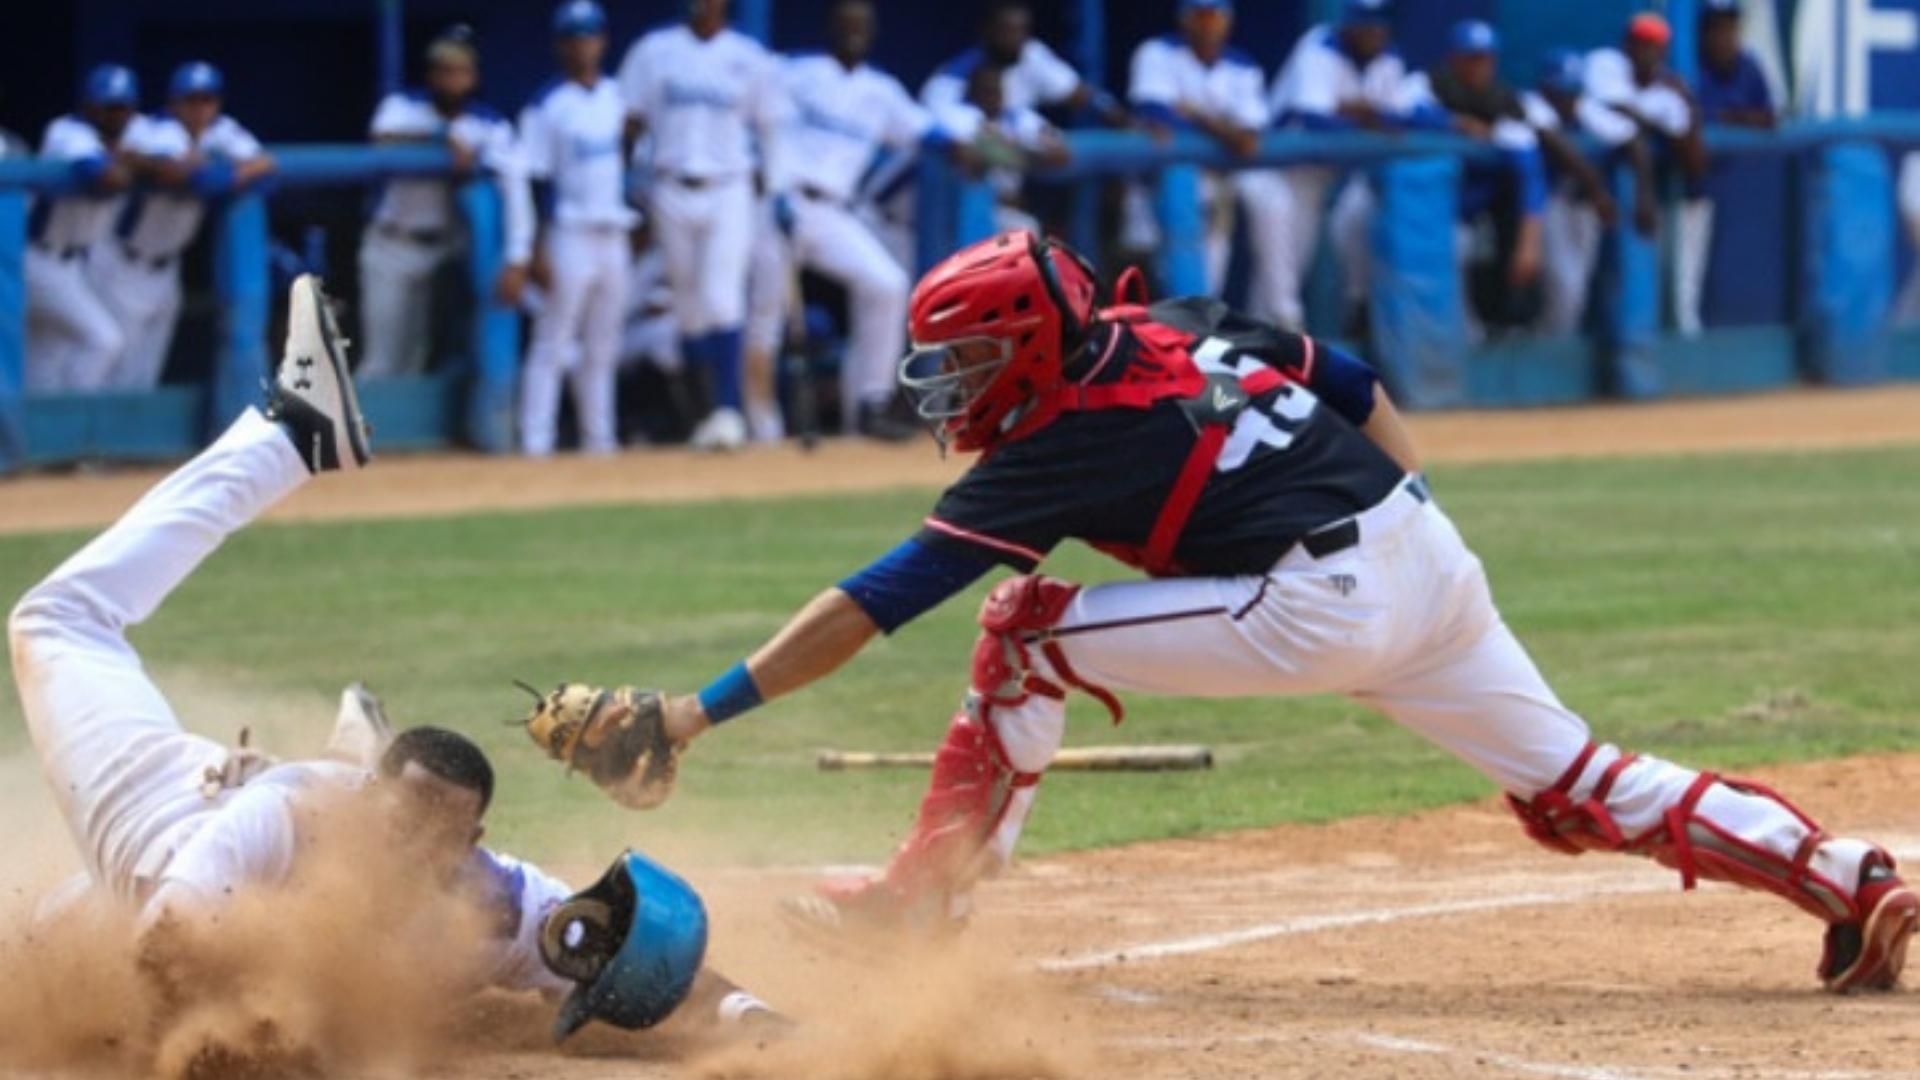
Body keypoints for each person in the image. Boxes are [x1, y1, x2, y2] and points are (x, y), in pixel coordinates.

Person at [571, 229, 1916, 996]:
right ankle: (1848, 878)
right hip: (1423, 553)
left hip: (1318, 599)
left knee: (1021, 632)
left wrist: (693, 714)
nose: (953, 382)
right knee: (1578, 780)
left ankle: (923, 908)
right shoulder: (1185, 318)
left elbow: (880, 601)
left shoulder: (1056, 443)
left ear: (1030, 345)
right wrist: (1411, 510)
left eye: (971, 356)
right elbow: (1358, 376)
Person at [8, 273, 776, 1054]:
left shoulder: (490, 908)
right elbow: (163, 944)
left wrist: (750, 1015)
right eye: (403, 821)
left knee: (40, 948)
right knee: (57, 621)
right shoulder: (285, 817)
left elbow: (619, 954)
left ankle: (297, 453)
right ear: (367, 802)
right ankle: (294, 434)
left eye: (439, 837)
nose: (417, 850)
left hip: (158, 874)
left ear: (472, 838)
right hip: (160, 816)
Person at [742, 0, 934, 443]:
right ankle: (762, 426)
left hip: (832, 210)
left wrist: (970, 141)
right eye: (846, 27)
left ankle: (870, 402)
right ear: (830, 29)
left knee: (886, 284)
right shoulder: (794, 71)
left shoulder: (881, 91)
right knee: (766, 316)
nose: (854, 35)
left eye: (862, 28)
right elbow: (759, 119)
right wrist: (772, 182)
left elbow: (927, 131)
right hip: (781, 201)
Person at [618, 0, 788, 452]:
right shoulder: (653, 50)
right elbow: (630, 121)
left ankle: (729, 412)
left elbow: (772, 127)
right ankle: (704, 415)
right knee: (689, 309)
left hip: (730, 186)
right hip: (669, 184)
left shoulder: (749, 56)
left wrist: (779, 190)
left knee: (720, 299)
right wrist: (621, 184)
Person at [359, 27, 533, 381]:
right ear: (431, 73)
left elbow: (516, 189)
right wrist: (438, 138)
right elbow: (381, 138)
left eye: (460, 71)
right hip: (393, 245)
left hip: (446, 251)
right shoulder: (402, 107)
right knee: (382, 361)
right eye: (444, 70)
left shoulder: (490, 125)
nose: (451, 79)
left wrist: (518, 257)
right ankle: (360, 435)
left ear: (473, 77)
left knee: (423, 361)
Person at [89, 62, 275, 392]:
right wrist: (227, 171)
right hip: (124, 262)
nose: (200, 109)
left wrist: (229, 173)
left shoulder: (222, 129)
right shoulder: (155, 129)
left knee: (146, 371)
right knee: (116, 365)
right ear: (174, 102)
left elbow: (266, 164)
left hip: (166, 267)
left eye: (207, 100)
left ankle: (127, 443)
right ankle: (92, 442)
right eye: (191, 100)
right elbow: (179, 174)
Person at [519, 1, 636, 457]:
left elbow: (633, 163)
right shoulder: (546, 104)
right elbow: (534, 181)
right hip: (568, 231)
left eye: (589, 35)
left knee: (604, 344)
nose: (582, 45)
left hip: (613, 231)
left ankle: (599, 439)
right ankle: (536, 442)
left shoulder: (619, 97)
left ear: (602, 40)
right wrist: (535, 246)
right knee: (554, 339)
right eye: (573, 37)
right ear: (560, 45)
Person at [1265, 0, 1414, 331]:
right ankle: (1257, 349)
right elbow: (1314, 118)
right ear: (1348, 24)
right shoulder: (1319, 45)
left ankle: (1356, 311)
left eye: (1378, 25)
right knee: (1281, 274)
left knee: (1305, 258)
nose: (1373, 33)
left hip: (1325, 174)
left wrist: (1352, 110)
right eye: (1365, 25)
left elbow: (1401, 120)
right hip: (1281, 170)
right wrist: (1367, 116)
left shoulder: (1388, 57)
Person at [1395, 21, 1547, 337]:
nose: (1479, 66)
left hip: (1461, 216)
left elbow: (1529, 172)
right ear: (1454, 58)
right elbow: (1398, 112)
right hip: (1399, 208)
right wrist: (1454, 123)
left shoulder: (1505, 103)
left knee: (1466, 260)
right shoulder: (1427, 85)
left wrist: (1529, 243)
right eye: (1471, 57)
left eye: (1485, 58)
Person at [1127, 0, 1280, 308]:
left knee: (1211, 278)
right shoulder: (1156, 52)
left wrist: (1195, 113)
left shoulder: (1243, 66)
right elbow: (1154, 109)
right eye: (1201, 16)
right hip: (1156, 185)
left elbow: (1248, 138)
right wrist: (1223, 128)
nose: (1208, 25)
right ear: (1185, 21)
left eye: (1215, 17)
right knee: (1146, 274)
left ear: (1228, 22)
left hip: (1218, 181)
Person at [1585, 14, 1709, 335]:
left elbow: (1695, 161)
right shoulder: (1606, 65)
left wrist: (1688, 105)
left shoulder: (1666, 90)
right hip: (1577, 191)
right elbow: (1628, 119)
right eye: (1641, 43)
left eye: (1655, 45)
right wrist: (1660, 118)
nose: (1648, 52)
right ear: (1627, 43)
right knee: (1569, 291)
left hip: (1624, 203)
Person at [25, 64, 143, 394]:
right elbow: (107, 176)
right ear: (89, 105)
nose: (117, 115)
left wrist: (136, 158)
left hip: (74, 262)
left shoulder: (133, 135)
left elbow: (185, 167)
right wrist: (136, 162)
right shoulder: (67, 131)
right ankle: (77, 430)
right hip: (40, 257)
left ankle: (43, 440)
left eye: (123, 107)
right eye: (109, 107)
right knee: (104, 340)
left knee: (47, 358)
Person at [1522, 49, 1657, 337]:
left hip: (1580, 208)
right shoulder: (1531, 103)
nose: (1568, 100)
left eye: (1572, 92)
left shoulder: (1583, 107)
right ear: (1546, 88)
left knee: (1576, 290)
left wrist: (1644, 196)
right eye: (1561, 92)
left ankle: (1555, 354)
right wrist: (1598, 191)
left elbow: (1633, 139)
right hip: (1539, 207)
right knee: (1562, 287)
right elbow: (1558, 144)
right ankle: (1547, 354)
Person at [1685, 0, 1777, 336]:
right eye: (1717, 28)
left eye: (1730, 27)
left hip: (1707, 188)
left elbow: (1769, 118)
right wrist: (1738, 117)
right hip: (1671, 188)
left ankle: (1687, 355)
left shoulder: (1747, 66)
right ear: (1703, 32)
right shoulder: (1689, 66)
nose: (1725, 36)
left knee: (1691, 284)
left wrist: (1730, 117)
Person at [921, 0, 1127, 124]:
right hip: (955, 182)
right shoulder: (952, 79)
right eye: (1008, 32)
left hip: (1010, 172)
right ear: (988, 32)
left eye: (1022, 31)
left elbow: (1077, 93)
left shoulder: (1030, 54)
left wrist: (1111, 111)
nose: (1017, 40)